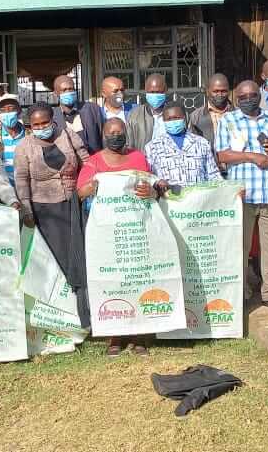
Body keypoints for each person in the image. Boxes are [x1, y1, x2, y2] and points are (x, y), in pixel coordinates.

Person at [75, 118, 159, 357]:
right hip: (107, 233)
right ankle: (115, 335)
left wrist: (150, 191)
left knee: (138, 277)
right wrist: (89, 188)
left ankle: (139, 334)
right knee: (112, 280)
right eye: (111, 132)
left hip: (136, 229)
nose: (116, 136)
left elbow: (151, 186)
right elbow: (80, 193)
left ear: (126, 134)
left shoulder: (138, 158)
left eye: (119, 132)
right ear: (103, 135)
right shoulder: (94, 162)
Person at [215, 80, 268, 312]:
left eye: (252, 95)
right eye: (242, 96)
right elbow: (222, 155)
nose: (248, 99)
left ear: (259, 96)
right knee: (238, 247)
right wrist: (252, 157)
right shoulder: (228, 121)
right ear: (236, 99)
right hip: (241, 196)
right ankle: (239, 293)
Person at [14, 105, 92, 329]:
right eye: (36, 125)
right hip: (44, 211)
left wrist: (87, 187)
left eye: (44, 123)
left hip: (73, 205)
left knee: (79, 256)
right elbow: (21, 180)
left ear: (53, 121)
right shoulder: (24, 147)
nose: (41, 128)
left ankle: (86, 317)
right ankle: (65, 321)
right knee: (58, 262)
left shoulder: (67, 135)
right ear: (30, 126)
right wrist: (27, 210)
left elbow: (87, 162)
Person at [144, 103, 221, 187]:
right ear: (163, 121)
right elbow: (149, 176)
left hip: (199, 197)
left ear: (184, 118)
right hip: (168, 198)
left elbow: (213, 174)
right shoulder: (152, 147)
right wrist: (157, 183)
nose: (173, 121)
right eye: (169, 119)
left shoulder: (201, 143)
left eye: (176, 118)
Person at [188, 73, 233, 151]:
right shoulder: (195, 117)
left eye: (224, 91)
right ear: (207, 91)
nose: (220, 94)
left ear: (229, 91)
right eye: (216, 91)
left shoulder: (238, 114)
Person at [126, 73, 171, 151]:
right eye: (152, 92)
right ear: (146, 91)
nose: (155, 95)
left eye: (158, 92)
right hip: (144, 161)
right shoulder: (134, 115)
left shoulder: (177, 114)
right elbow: (129, 145)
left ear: (166, 91)